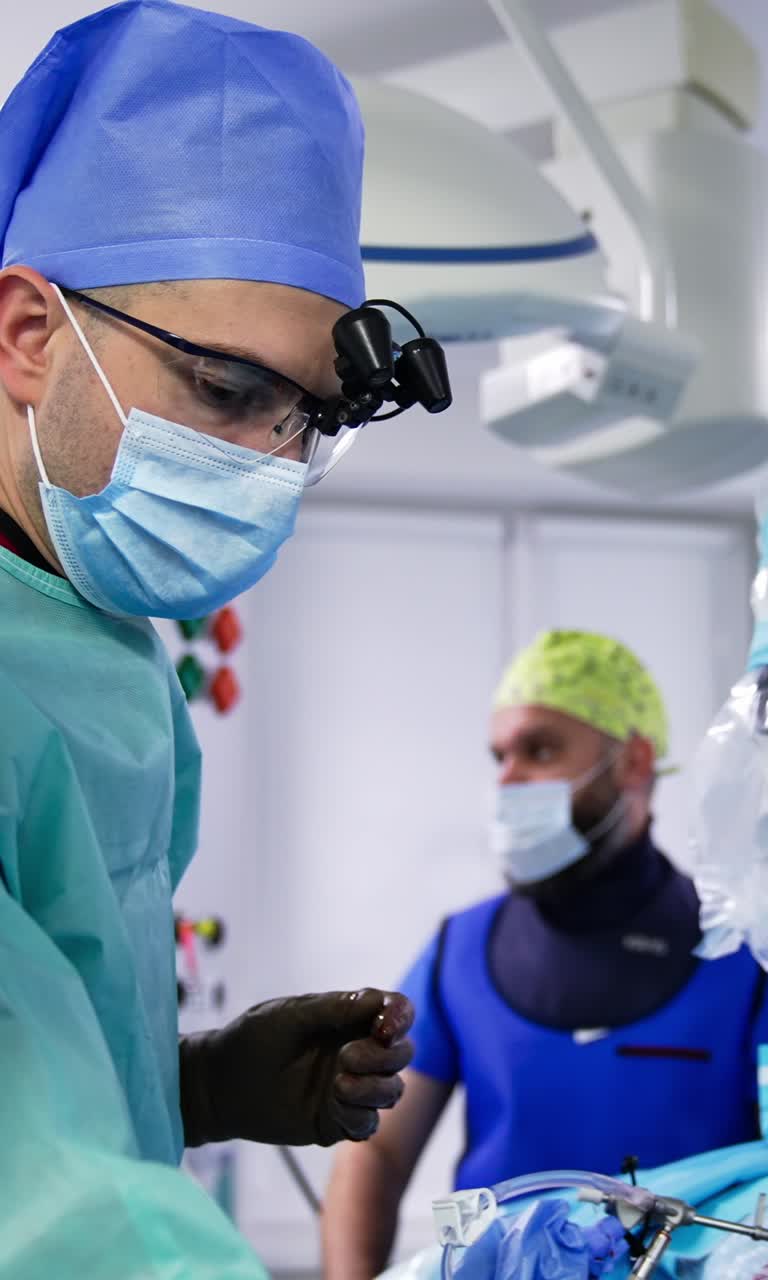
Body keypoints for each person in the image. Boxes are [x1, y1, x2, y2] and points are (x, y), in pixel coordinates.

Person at [0, 4, 422, 1275]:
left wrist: (193, 1087)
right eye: (228, 392)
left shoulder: (95, 649)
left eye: (303, 417)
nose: (265, 463)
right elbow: (50, 1217)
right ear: (28, 334)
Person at [323, 630, 768, 1280]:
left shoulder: (752, 956)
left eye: (539, 749)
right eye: (500, 756)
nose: (508, 779)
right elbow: (375, 1155)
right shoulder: (457, 952)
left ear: (632, 761)